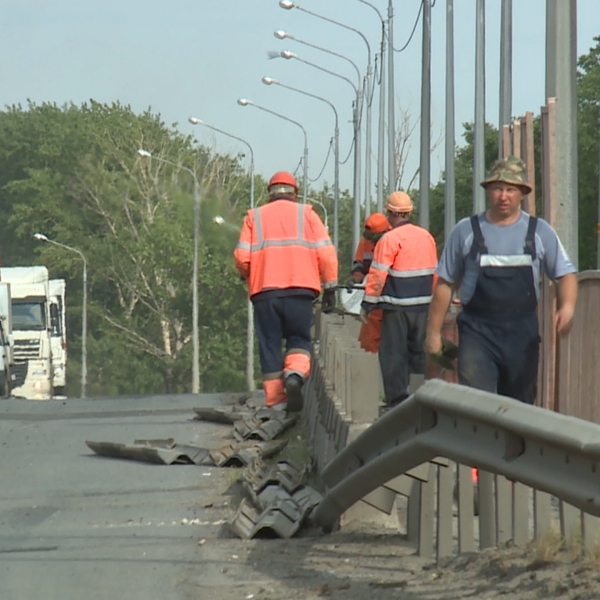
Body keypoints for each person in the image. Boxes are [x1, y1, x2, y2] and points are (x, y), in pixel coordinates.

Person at [425, 156, 578, 404]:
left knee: (519, 407)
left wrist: (568, 307)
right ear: (488, 191)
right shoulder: (466, 231)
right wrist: (433, 334)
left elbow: (565, 274)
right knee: (477, 405)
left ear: (522, 193)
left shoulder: (539, 232)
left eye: (510, 189)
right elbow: (445, 284)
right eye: (497, 188)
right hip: (477, 332)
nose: (503, 196)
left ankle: (514, 444)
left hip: (523, 336)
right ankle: (479, 443)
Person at [234, 171, 338, 412]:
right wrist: (330, 286)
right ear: (295, 192)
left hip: (264, 291)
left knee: (269, 343)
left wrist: (245, 272)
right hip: (301, 289)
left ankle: (276, 402)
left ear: (269, 192)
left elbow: (242, 256)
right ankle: (295, 374)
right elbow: (326, 253)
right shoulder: (307, 214)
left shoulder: (254, 217)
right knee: (299, 338)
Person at [361, 191, 438, 408]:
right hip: (423, 306)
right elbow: (434, 272)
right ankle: (419, 397)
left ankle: (397, 400)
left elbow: (377, 274)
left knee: (394, 353)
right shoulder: (426, 236)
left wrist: (368, 303)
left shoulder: (389, 239)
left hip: (396, 306)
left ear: (389, 213)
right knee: (419, 353)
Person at [345, 212, 391, 353]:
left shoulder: (392, 240)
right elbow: (359, 263)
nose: (370, 241)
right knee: (369, 341)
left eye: (373, 237)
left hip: (391, 299)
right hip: (372, 298)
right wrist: (356, 277)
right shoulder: (365, 242)